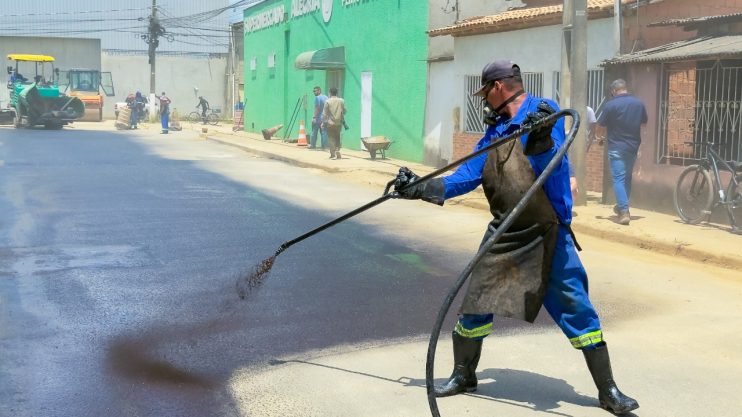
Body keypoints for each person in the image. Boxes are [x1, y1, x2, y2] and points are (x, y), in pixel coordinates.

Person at [391, 59, 639, 415]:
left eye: (485, 95)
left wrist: (538, 142)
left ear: (497, 87)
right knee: (476, 302)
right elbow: (463, 178)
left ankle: (608, 391)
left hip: (547, 232)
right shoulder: (493, 135)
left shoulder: (545, 112)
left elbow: (550, 161)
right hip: (505, 233)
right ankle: (464, 375)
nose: (484, 103)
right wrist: (419, 187)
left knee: (577, 308)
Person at [597, 79, 647, 225]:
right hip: (633, 146)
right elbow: (644, 122)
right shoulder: (638, 103)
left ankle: (624, 211)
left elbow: (600, 125)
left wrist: (599, 136)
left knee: (618, 178)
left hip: (616, 147)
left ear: (613, 91)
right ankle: (621, 206)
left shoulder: (610, 105)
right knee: (626, 178)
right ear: (625, 88)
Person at [569, 106, 597, 198]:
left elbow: (593, 127)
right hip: (566, 140)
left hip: (580, 141)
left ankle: (576, 189)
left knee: (578, 166)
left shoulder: (588, 110)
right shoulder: (564, 106)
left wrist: (589, 143)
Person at [321, 87, 346, 160]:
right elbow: (344, 111)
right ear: (337, 93)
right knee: (337, 136)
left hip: (330, 123)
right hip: (339, 123)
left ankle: (333, 154)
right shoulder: (341, 101)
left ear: (330, 93)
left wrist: (323, 122)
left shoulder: (328, 101)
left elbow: (324, 114)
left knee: (331, 138)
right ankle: (338, 150)